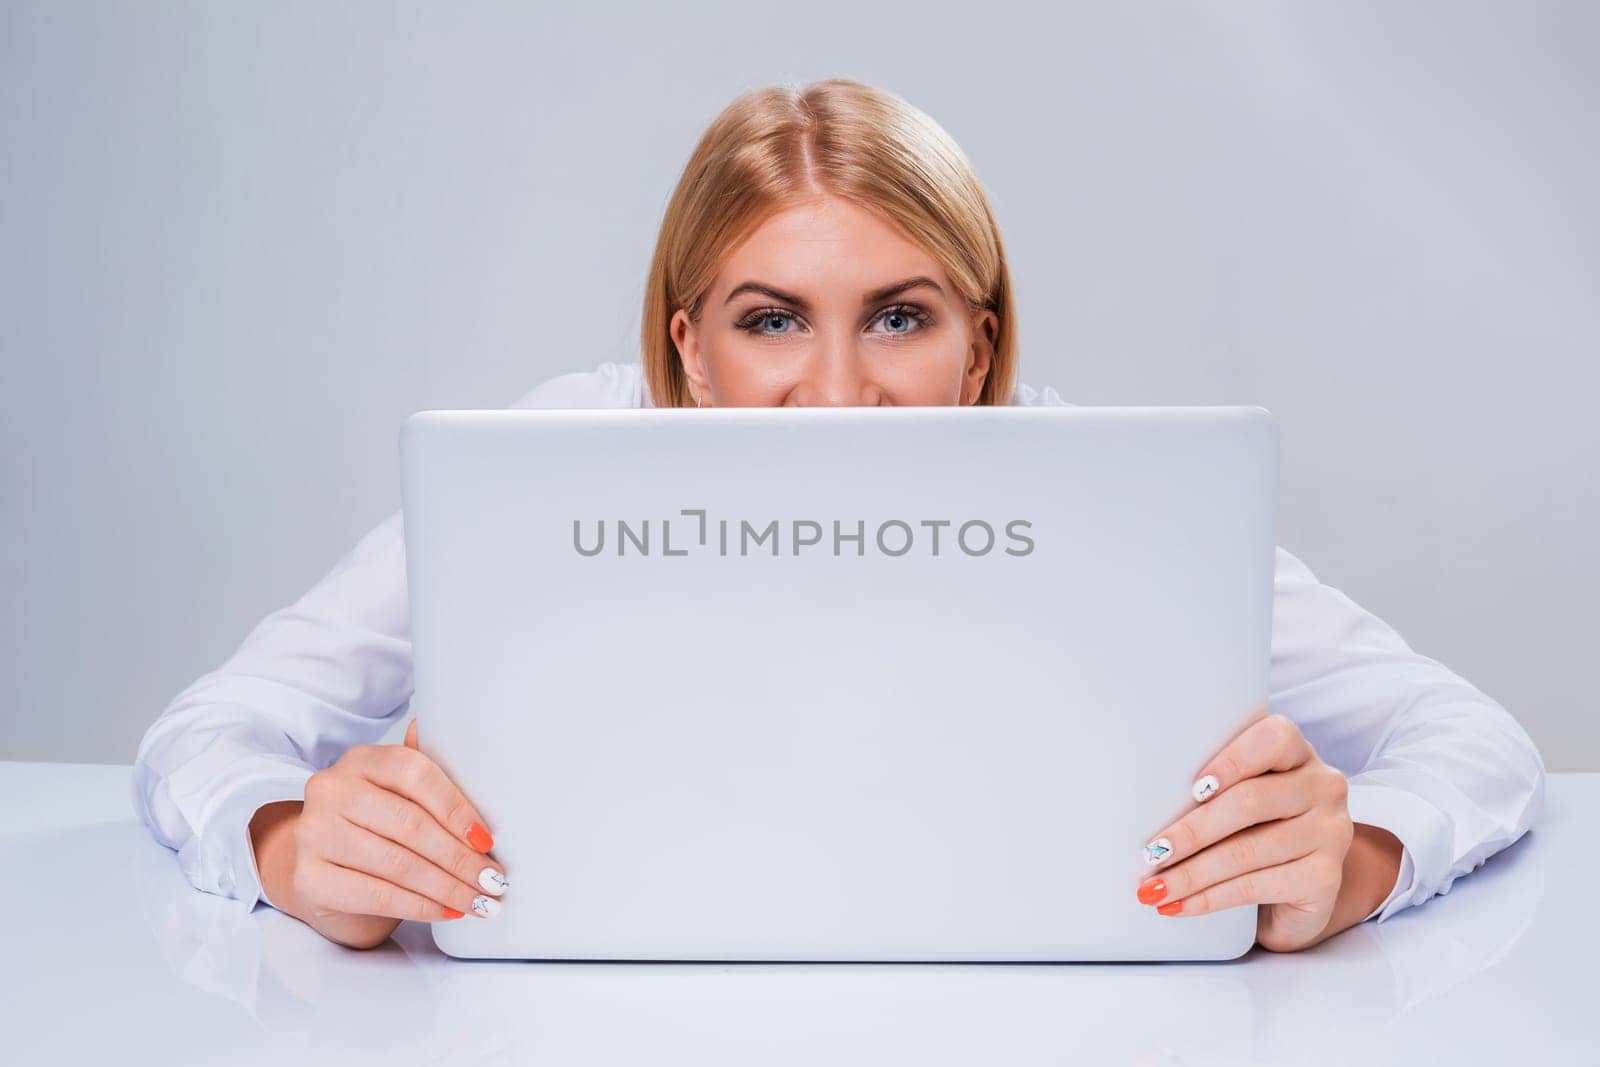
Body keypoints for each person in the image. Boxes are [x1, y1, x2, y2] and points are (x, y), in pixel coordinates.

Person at [132, 78, 1546, 954]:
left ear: (979, 347)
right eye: (769, 322)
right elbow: (214, 728)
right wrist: (286, 847)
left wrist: (1359, 862)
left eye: (899, 317)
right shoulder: (555, 459)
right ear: (688, 348)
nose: (837, 391)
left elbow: (1473, 737)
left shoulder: (1103, 494)